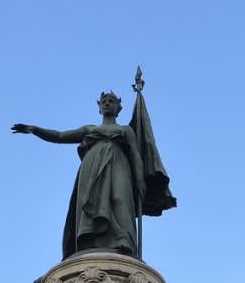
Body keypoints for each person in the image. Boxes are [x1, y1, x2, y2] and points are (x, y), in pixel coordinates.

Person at [12, 85, 176, 259]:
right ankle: (90, 239)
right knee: (89, 200)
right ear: (99, 107)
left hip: (118, 163)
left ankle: (125, 240)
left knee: (120, 198)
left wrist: (139, 180)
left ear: (118, 108)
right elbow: (59, 137)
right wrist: (34, 129)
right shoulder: (90, 129)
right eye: (104, 102)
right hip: (92, 167)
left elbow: (135, 154)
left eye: (111, 102)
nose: (107, 104)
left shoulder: (125, 130)